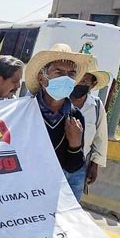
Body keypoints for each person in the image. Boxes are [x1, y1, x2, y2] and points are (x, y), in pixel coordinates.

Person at [24, 43, 93, 197]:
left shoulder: (75, 116)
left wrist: (75, 144)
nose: (66, 78)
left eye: (71, 74)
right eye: (59, 72)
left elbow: (73, 166)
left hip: (56, 193)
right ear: (42, 78)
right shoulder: (24, 112)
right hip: (25, 191)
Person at [66, 66, 109, 201]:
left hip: (80, 169)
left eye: (85, 81)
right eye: (78, 79)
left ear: (93, 84)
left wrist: (95, 165)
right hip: (55, 165)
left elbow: (100, 138)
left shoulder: (96, 106)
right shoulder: (60, 100)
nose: (79, 84)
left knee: (71, 210)